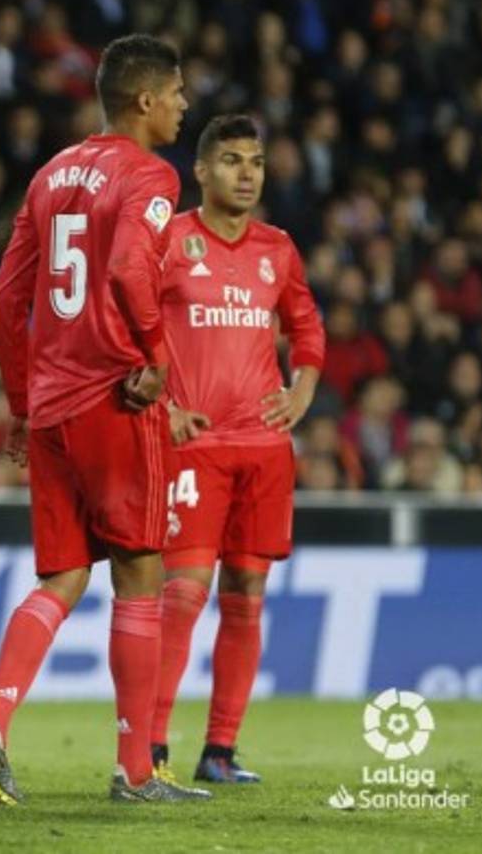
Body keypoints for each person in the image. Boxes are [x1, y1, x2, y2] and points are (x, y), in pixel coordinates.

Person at [0, 34, 210, 804]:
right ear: (144, 100)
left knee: (63, 576)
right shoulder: (151, 174)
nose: (183, 106)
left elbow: (7, 298)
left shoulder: (50, 174)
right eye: (176, 93)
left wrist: (24, 400)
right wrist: (156, 357)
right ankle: (135, 772)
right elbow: (128, 267)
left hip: (53, 407)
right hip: (114, 398)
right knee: (140, 575)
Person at [151, 114, 325, 784]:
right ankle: (152, 747)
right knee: (184, 594)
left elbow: (307, 328)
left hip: (264, 449)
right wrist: (161, 407)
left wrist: (303, 391)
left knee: (247, 593)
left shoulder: (277, 248)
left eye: (255, 161)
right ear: (200, 170)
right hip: (195, 447)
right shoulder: (168, 241)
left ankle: (219, 751)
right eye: (230, 160)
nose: (247, 173)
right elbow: (126, 325)